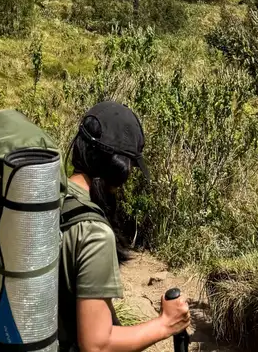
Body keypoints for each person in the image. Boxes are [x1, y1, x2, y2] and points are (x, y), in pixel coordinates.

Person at [59, 101, 190, 352]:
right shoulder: (94, 233)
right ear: (120, 169)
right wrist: (166, 324)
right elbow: (97, 345)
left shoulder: (49, 197)